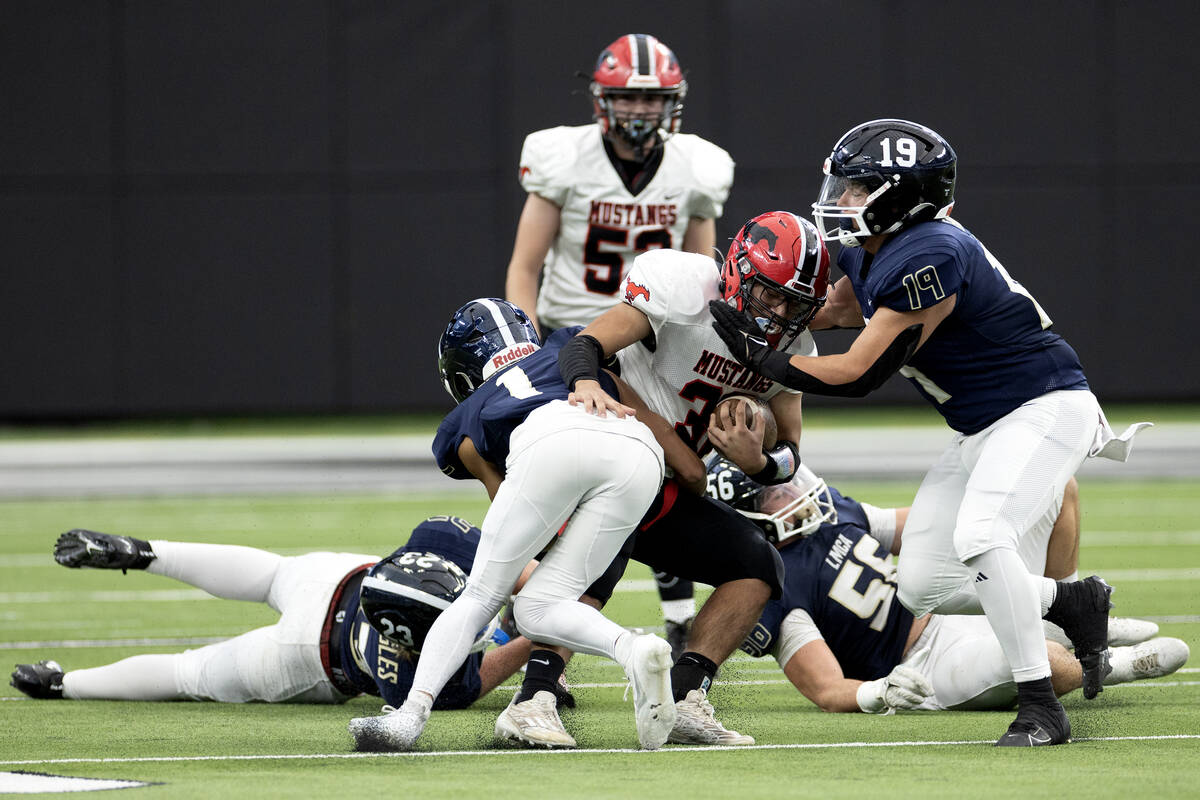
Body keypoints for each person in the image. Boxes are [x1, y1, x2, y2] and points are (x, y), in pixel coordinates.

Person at [709, 119, 1151, 746]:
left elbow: (856, 373)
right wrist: (739, 309)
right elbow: (831, 310)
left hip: (1043, 405)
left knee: (980, 535)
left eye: (859, 187)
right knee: (923, 583)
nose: (843, 199)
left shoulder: (929, 254)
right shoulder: (878, 250)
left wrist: (762, 357)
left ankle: (1040, 709)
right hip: (983, 424)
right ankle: (1070, 601)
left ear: (901, 195)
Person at [348, 299, 679, 752]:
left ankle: (410, 716)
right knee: (539, 608)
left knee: (481, 596)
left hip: (552, 439)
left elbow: (512, 505)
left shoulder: (463, 419)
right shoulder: (567, 344)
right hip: (640, 450)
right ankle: (633, 650)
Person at [555, 210, 830, 745]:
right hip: (614, 452)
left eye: (795, 304)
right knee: (603, 551)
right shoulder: (683, 288)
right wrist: (601, 394)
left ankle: (684, 698)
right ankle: (536, 695)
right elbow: (584, 348)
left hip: (670, 483)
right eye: (770, 295)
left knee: (757, 564)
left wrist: (757, 462)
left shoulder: (792, 346)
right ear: (736, 274)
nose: (779, 314)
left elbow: (791, 451)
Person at [505, 32, 735, 650]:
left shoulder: (696, 167)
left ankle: (677, 607)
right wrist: (527, 345)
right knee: (570, 485)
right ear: (602, 101)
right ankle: (527, 621)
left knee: (667, 470)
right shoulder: (564, 159)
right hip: (576, 334)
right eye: (628, 100)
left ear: (673, 103)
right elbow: (526, 266)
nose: (640, 111)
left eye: (652, 100)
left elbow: (706, 271)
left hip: (657, 341)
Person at [704, 455, 1187, 714]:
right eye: (771, 492)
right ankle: (1115, 664)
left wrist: (988, 505)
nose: (789, 490)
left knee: (1056, 487)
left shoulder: (830, 514)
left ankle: (1075, 614)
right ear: (747, 519)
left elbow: (925, 528)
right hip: (927, 662)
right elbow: (827, 688)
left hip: (955, 603)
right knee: (1041, 661)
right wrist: (877, 694)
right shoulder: (770, 588)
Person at [10, 518, 543, 708]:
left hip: (337, 578)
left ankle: (146, 552)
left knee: (272, 573)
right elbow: (479, 678)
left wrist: (520, 590)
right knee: (187, 673)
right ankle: (66, 685)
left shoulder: (436, 539)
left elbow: (482, 548)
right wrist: (540, 632)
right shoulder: (419, 681)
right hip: (310, 659)